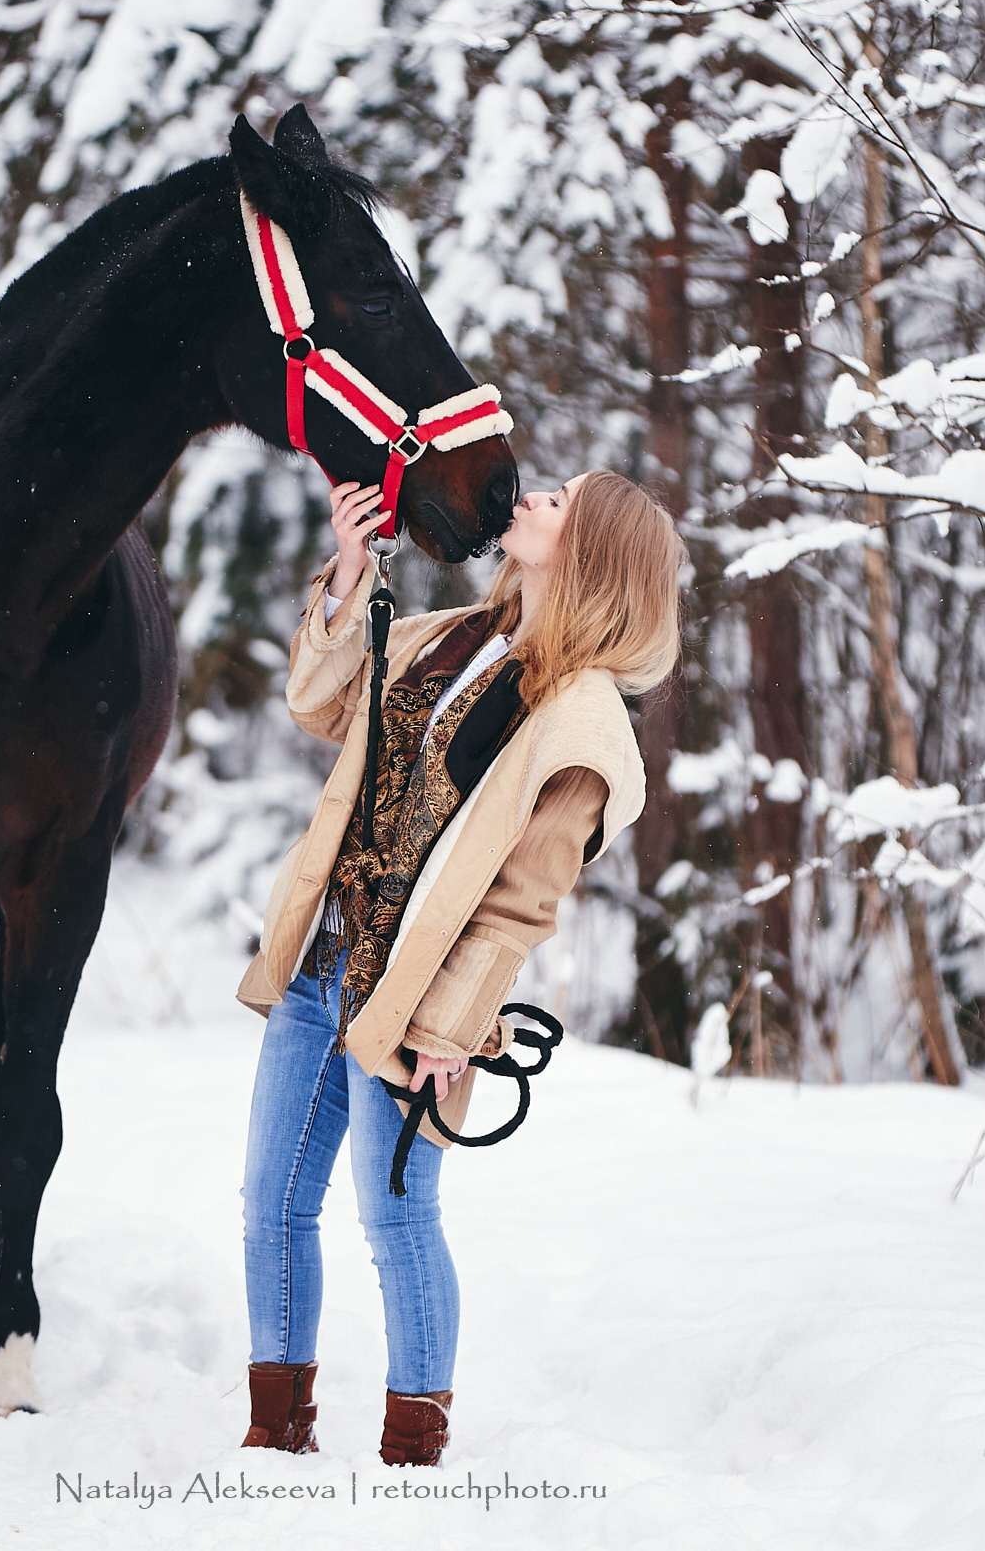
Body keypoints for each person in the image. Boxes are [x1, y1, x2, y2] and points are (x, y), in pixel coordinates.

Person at [233, 469, 685, 1466]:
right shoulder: (448, 634)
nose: (533, 496)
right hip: (322, 957)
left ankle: (411, 1451)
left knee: (393, 1215)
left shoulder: (585, 723)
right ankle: (275, 1432)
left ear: (595, 553)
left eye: (559, 501)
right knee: (271, 1202)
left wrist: (446, 1027)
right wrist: (350, 581)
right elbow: (322, 705)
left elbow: (524, 900)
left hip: (414, 997)